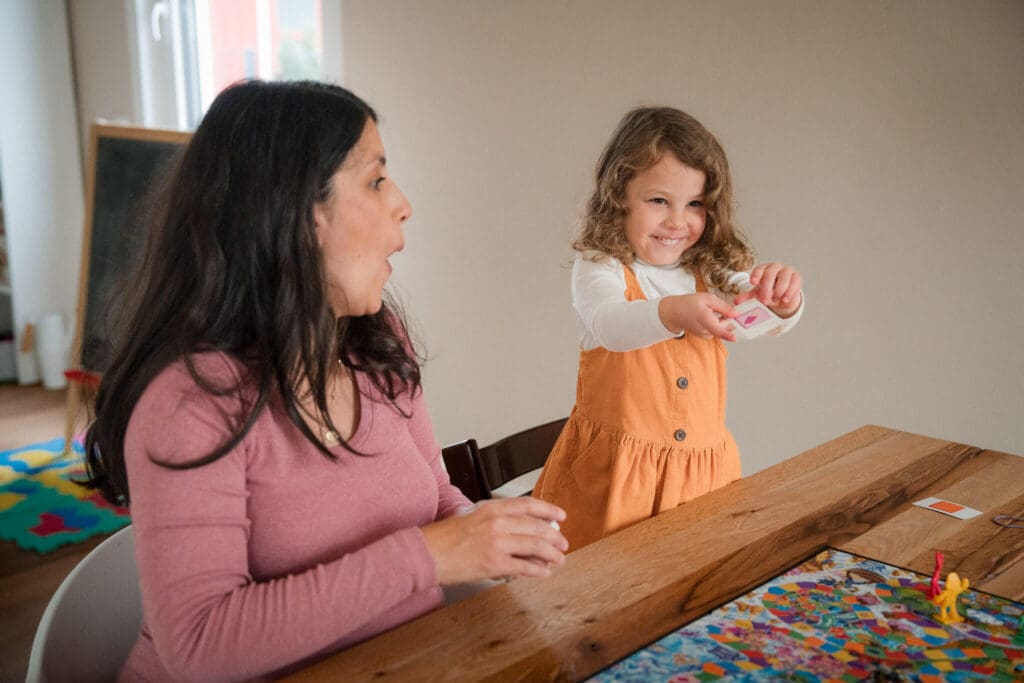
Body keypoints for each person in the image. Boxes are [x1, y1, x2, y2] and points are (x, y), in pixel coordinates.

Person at [84, 80, 567, 682]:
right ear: (296, 213)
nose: (403, 203)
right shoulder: (190, 403)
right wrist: (428, 557)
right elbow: (197, 644)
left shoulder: (379, 342)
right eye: (375, 179)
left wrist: (497, 540)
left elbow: (437, 500)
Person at [532, 106, 804, 551]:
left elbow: (761, 319)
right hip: (616, 480)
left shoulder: (709, 268)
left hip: (702, 478)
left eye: (694, 204)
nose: (678, 221)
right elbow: (609, 325)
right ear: (620, 195)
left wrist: (784, 302)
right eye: (659, 201)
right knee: (602, 592)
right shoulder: (601, 266)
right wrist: (674, 313)